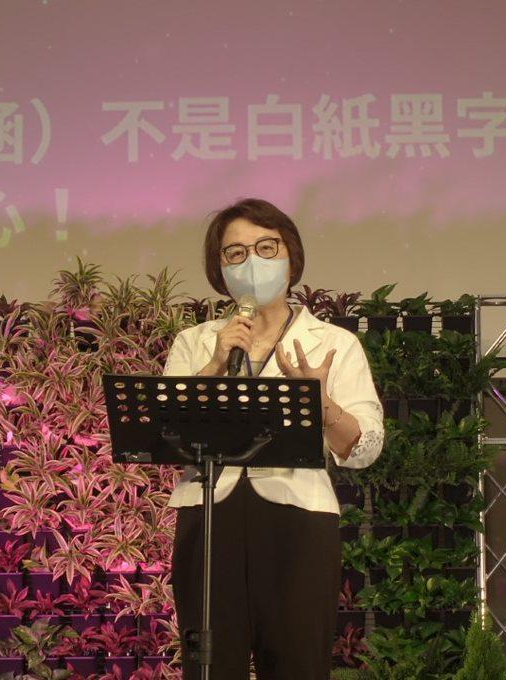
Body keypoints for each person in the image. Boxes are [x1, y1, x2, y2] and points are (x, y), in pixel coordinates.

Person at [162, 197, 385, 679]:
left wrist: (322, 405)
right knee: (209, 666)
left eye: (267, 247)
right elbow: (167, 432)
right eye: (236, 253)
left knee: (297, 663)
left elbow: (365, 448)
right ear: (220, 269)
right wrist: (215, 364)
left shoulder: (334, 343)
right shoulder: (195, 342)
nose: (252, 261)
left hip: (298, 520)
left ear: (291, 257)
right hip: (209, 516)